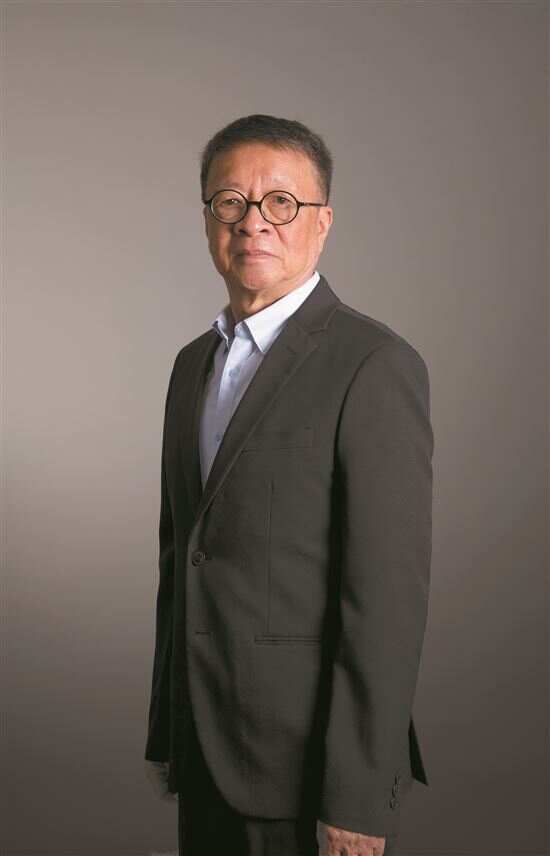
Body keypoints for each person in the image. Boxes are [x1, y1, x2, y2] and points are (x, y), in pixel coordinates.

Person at [144, 114, 433, 856]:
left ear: (322, 223)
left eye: (282, 202)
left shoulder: (373, 365)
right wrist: (168, 732)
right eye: (230, 201)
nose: (254, 222)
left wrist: (358, 796)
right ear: (208, 219)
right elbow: (183, 559)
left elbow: (386, 604)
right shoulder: (190, 365)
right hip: (205, 748)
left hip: (308, 772)